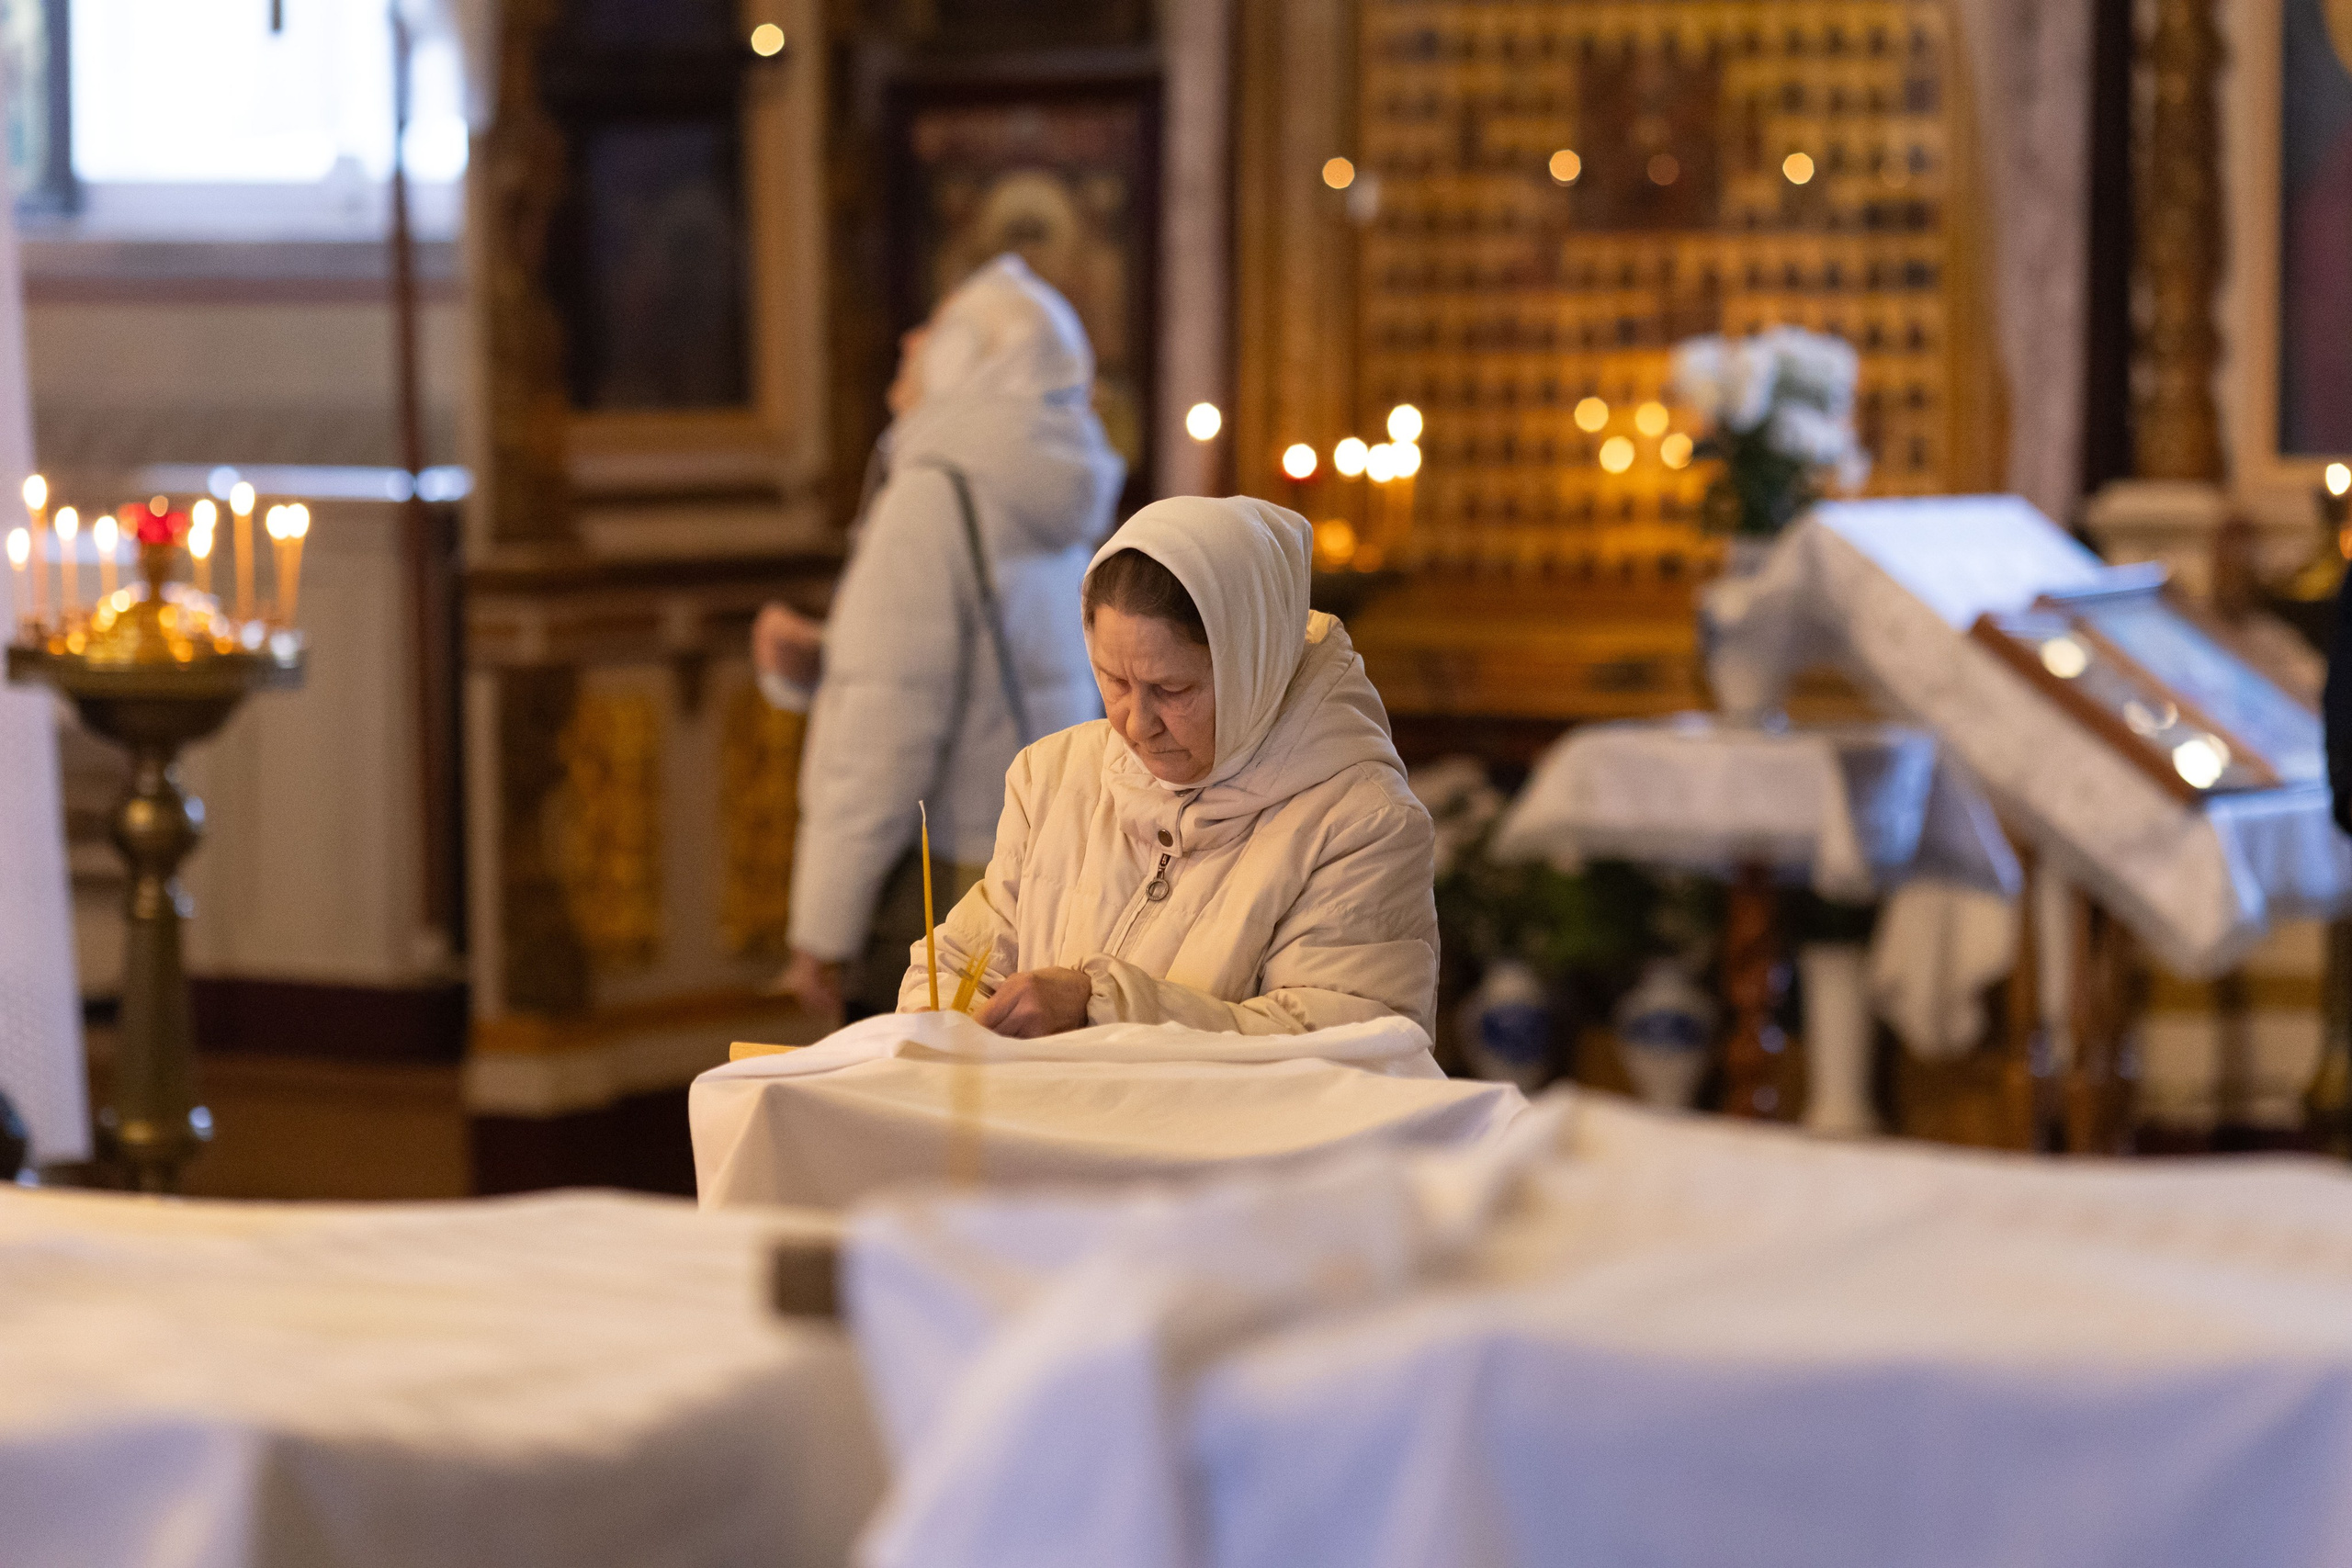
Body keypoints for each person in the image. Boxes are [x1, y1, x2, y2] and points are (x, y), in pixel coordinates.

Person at [903, 495, 1440, 1037]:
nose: (1136, 724)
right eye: (1114, 680)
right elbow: (958, 967)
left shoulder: (1362, 823)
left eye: (1171, 689)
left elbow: (1344, 1046)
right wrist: (945, 1022)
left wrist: (1100, 1006)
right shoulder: (1053, 776)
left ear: (1253, 666)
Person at [758, 254, 1125, 1018]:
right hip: (1033, 866)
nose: (910, 339)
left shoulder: (932, 495)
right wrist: (828, 658)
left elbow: (885, 728)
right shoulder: (1047, 491)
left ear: (973, 359)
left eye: (939, 327)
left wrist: (821, 929)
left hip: (937, 889)